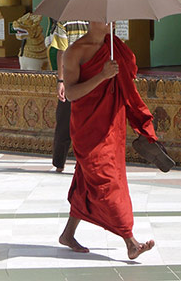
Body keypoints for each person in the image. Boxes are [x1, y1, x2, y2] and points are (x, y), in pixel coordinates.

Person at [59, 21, 157, 260]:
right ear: (89, 19)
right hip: (87, 127)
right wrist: (102, 76)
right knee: (106, 180)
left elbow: (130, 72)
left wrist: (118, 67)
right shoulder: (75, 52)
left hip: (112, 122)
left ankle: (67, 234)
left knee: (88, 179)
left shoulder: (114, 46)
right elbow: (70, 93)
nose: (109, 21)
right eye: (103, 17)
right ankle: (130, 241)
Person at [49, 20, 89, 172]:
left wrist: (61, 79)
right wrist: (61, 80)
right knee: (67, 121)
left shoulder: (69, 21)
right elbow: (61, 51)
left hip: (80, 78)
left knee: (69, 122)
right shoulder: (68, 22)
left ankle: (72, 162)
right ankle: (61, 162)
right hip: (81, 79)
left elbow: (61, 51)